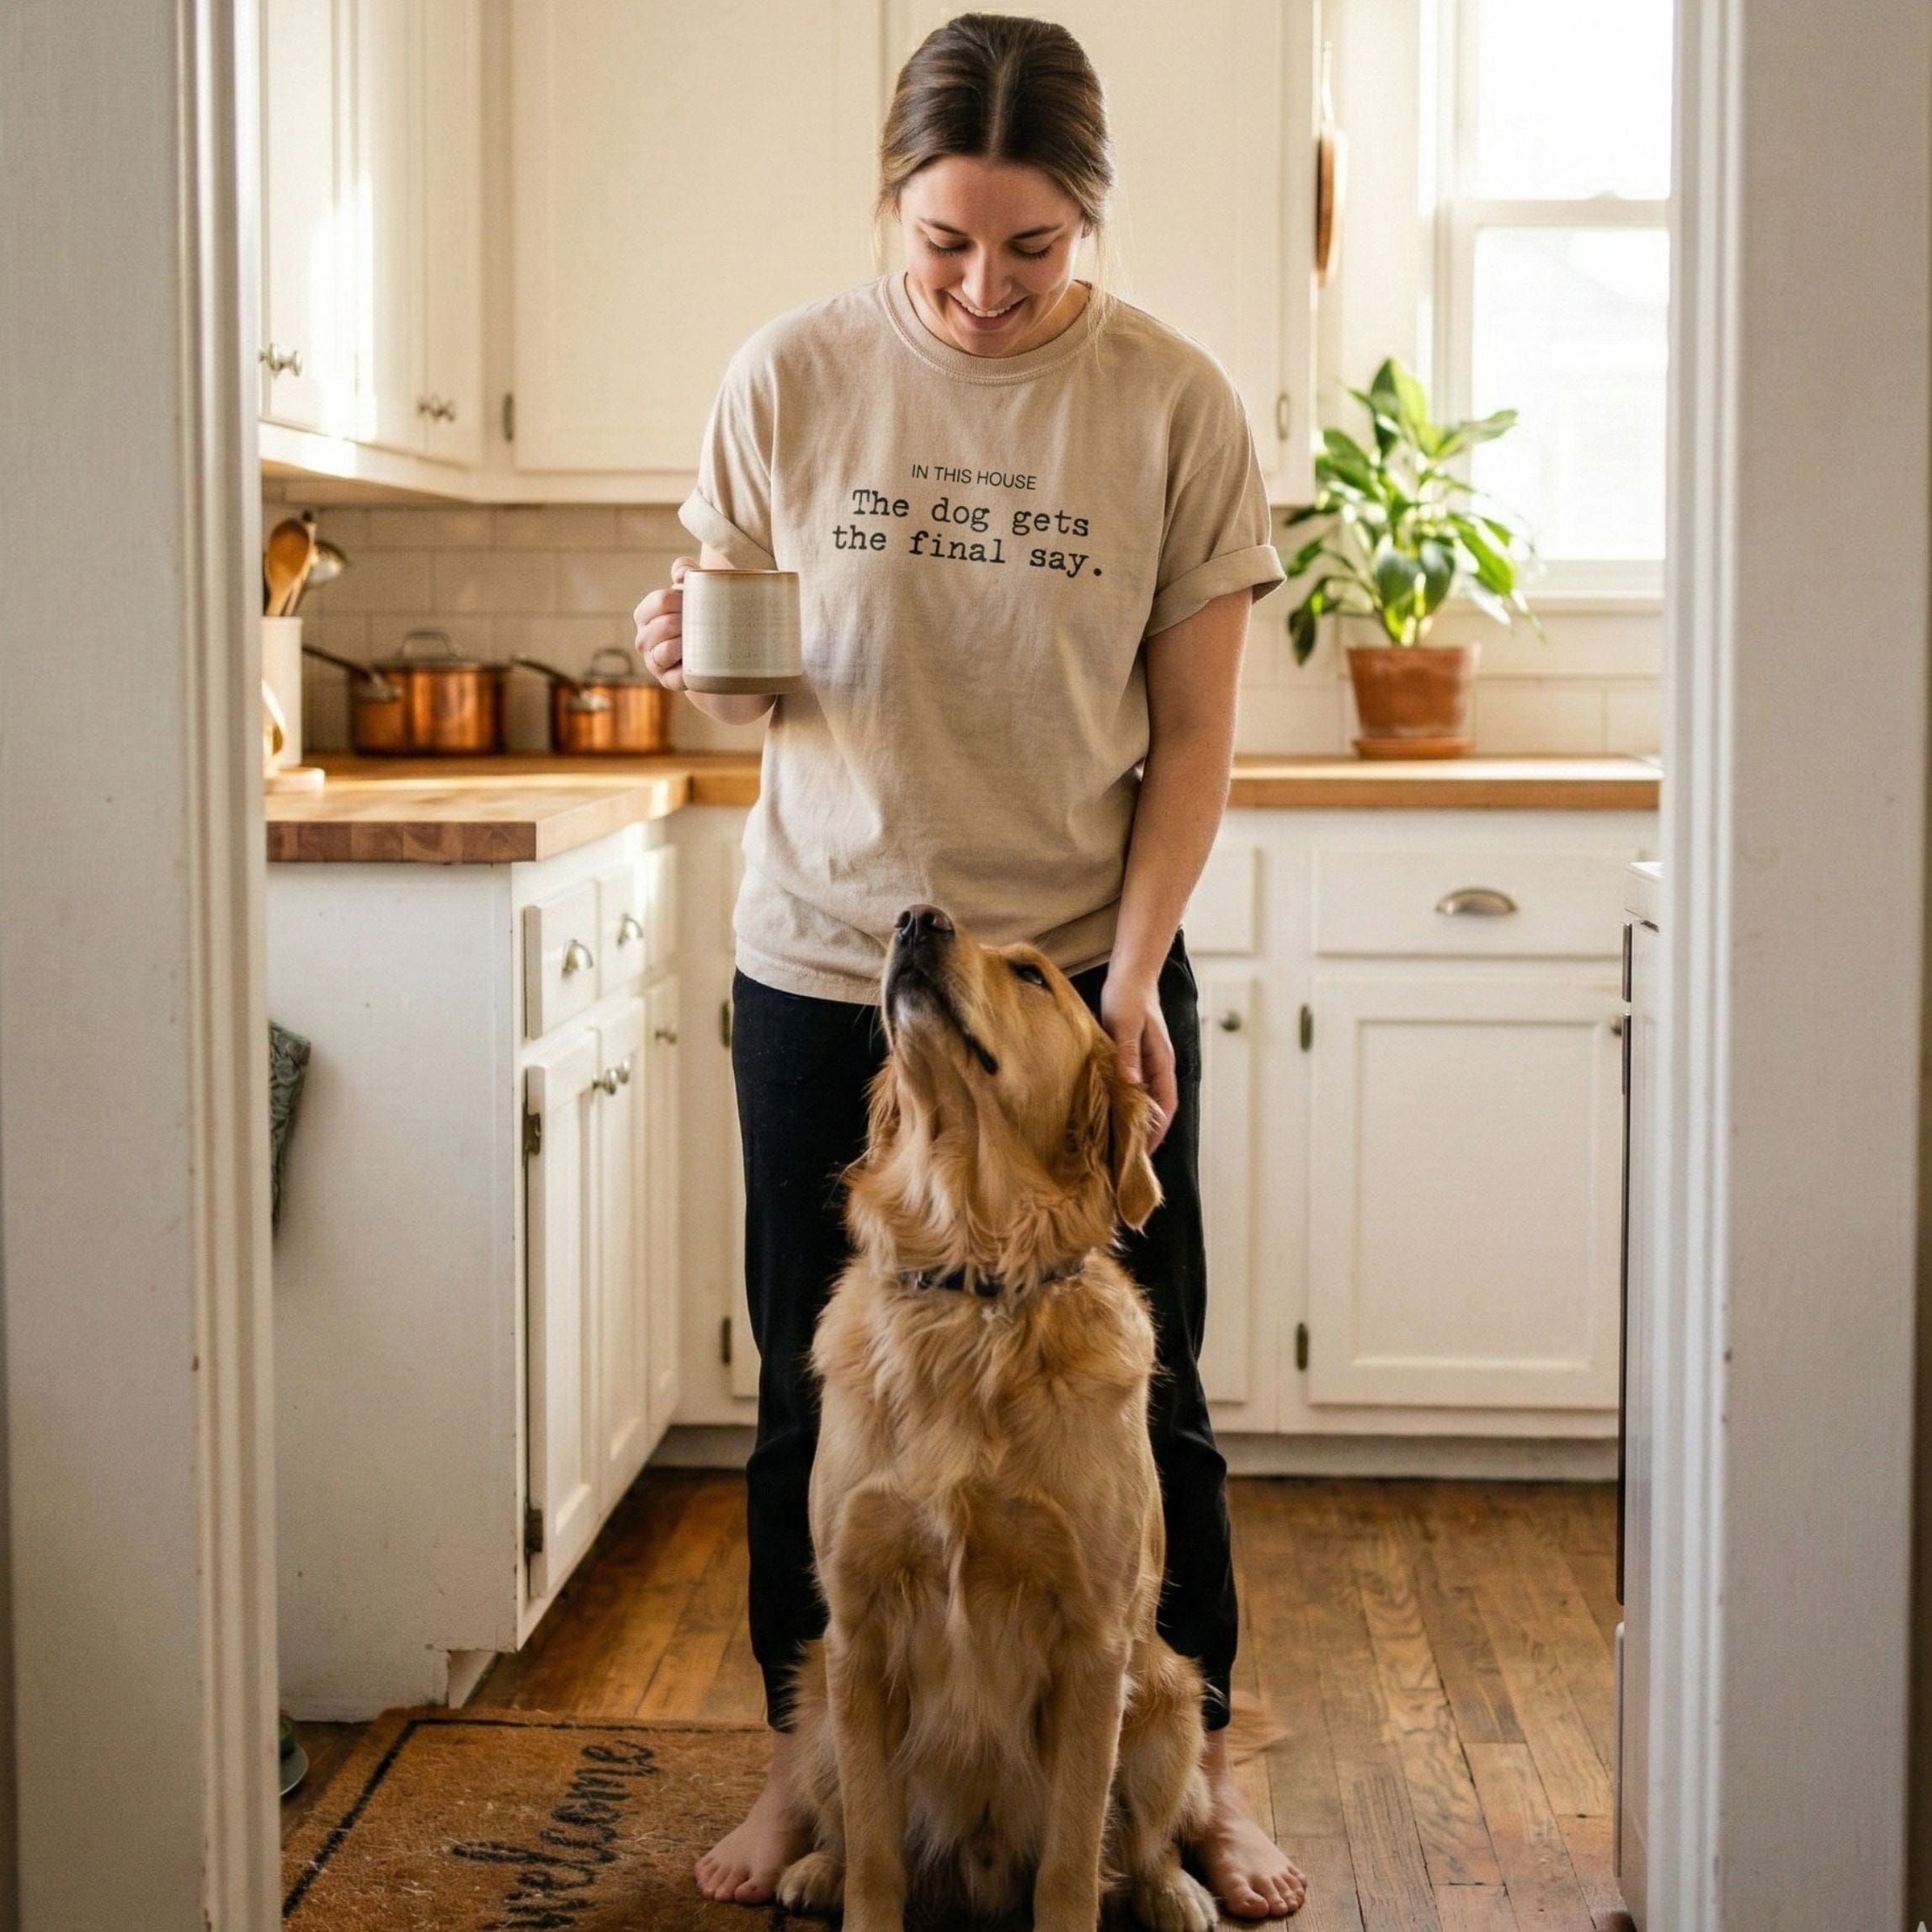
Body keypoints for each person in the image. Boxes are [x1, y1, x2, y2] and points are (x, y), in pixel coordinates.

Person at [632, 14, 1305, 1920]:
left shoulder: (1170, 405)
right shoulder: (790, 377)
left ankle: (1197, 1776)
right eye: (943, 243)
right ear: (892, 206)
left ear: (1088, 218)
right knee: (809, 1386)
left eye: (1031, 248)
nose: (986, 290)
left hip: (1067, 982)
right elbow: (753, 673)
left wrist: (1136, 977)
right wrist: (690, 639)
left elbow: (1189, 739)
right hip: (827, 958)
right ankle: (806, 1765)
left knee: (1142, 1391)